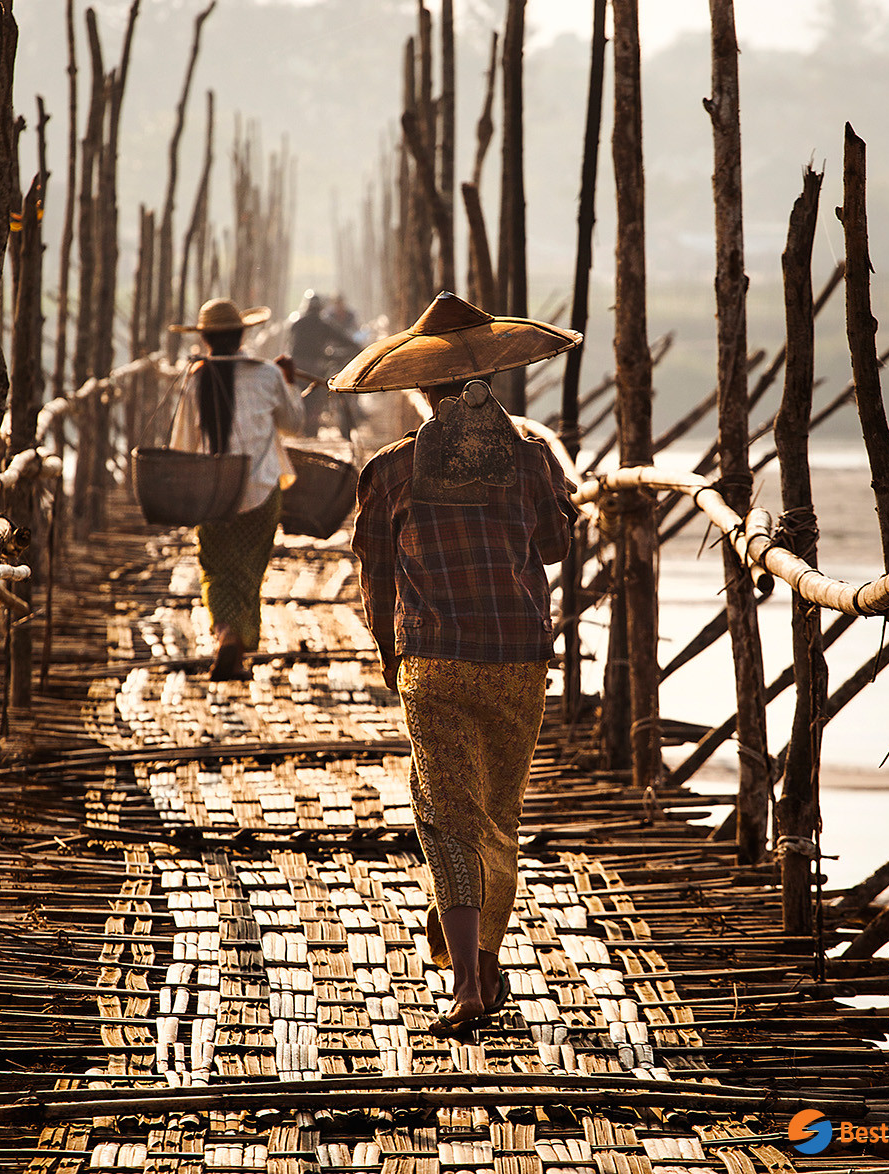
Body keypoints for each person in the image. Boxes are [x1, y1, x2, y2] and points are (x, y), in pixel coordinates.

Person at [336, 291, 581, 1038]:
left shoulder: (391, 468)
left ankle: (470, 983)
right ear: (489, 380)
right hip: (517, 656)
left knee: (446, 817)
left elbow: (375, 577)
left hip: (433, 661)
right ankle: (482, 956)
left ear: (420, 389)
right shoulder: (530, 457)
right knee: (497, 816)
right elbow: (556, 548)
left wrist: (390, 653)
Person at [169, 297, 307, 681]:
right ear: (243, 334)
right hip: (263, 490)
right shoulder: (267, 374)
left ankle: (226, 633)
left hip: (212, 493)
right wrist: (289, 383)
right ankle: (239, 641)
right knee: (249, 570)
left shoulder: (195, 378)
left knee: (214, 569)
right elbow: (294, 424)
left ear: (206, 339)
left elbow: (181, 445)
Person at [288, 290, 361, 435]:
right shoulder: (323, 324)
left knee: (300, 397)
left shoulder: (297, 323)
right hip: (315, 367)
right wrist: (359, 349)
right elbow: (344, 339)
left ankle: (300, 427)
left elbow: (289, 346)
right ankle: (311, 427)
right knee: (315, 398)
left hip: (297, 368)